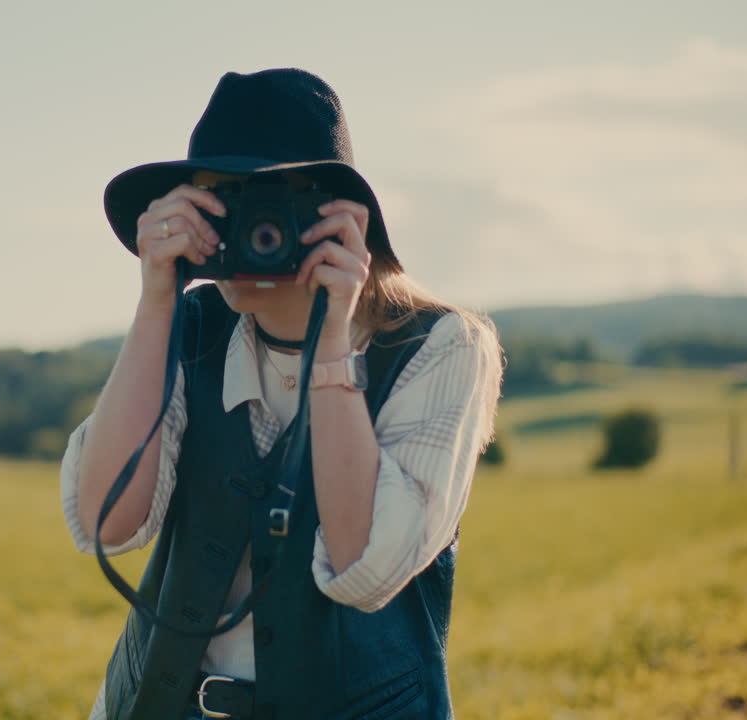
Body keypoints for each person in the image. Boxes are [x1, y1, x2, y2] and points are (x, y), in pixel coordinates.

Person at [60, 69, 503, 720]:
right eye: (220, 205)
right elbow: (109, 522)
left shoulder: (439, 347)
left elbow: (363, 569)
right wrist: (157, 302)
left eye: (267, 205)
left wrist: (332, 339)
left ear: (336, 215)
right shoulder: (190, 328)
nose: (247, 231)